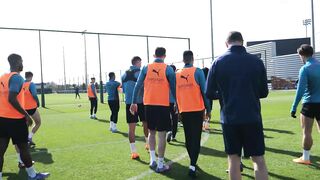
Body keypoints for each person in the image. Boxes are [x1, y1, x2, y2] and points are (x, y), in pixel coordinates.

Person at [206, 31, 269, 180]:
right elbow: (264, 92)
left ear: (226, 43)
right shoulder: (256, 61)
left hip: (229, 118)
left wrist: (224, 95)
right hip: (252, 116)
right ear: (242, 41)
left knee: (233, 159)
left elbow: (208, 92)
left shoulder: (218, 62)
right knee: (258, 159)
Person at [0, 54, 49, 180]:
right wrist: (26, 115)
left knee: (1, 150)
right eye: (22, 61)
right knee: (24, 148)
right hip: (16, 120)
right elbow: (11, 98)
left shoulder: (3, 77)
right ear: (17, 63)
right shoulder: (17, 78)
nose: (22, 64)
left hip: (2, 119)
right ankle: (32, 175)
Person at [130, 47, 175, 173]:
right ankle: (160, 164)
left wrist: (133, 102)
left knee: (151, 132)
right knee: (161, 135)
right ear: (164, 56)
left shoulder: (146, 67)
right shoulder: (168, 68)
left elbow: (138, 85)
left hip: (148, 104)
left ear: (154, 55)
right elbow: (173, 88)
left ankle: (152, 160)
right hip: (162, 105)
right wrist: (177, 102)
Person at [176, 50, 211, 178]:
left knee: (188, 138)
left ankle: (192, 162)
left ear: (183, 59)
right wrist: (208, 109)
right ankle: (192, 165)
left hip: (184, 110)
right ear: (192, 59)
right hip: (196, 109)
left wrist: (178, 109)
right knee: (195, 138)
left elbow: (175, 94)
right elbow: (204, 90)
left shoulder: (177, 73)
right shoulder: (198, 71)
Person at [290, 44, 320, 165]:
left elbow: (300, 91)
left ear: (302, 55)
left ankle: (305, 157)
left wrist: (293, 107)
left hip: (309, 104)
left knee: (307, 132)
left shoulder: (305, 68)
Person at [122, 56, 149, 159]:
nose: (141, 64)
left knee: (131, 128)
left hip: (129, 103)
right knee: (145, 123)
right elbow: (144, 87)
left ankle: (133, 152)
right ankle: (148, 144)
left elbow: (124, 90)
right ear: (137, 62)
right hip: (141, 102)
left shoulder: (123, 74)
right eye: (140, 62)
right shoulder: (140, 72)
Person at [15, 71, 42, 168]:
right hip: (32, 108)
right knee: (38, 122)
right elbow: (34, 94)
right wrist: (38, 102)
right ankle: (29, 137)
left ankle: (26, 140)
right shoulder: (31, 84)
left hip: (23, 109)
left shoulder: (21, 84)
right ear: (31, 76)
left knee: (24, 128)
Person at [166, 64, 179, 143]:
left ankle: (169, 131)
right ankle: (173, 135)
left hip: (166, 101)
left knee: (167, 118)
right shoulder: (177, 78)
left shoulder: (166, 77)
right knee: (175, 119)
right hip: (175, 101)